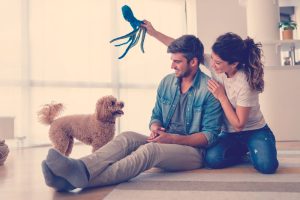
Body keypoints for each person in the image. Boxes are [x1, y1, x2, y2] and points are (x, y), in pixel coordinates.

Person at [41, 35, 223, 191]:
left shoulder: (209, 90)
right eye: (172, 60)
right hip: (165, 139)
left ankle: (79, 178)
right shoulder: (167, 82)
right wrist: (156, 127)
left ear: (193, 62)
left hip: (192, 152)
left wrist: (172, 139)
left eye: (177, 61)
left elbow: (210, 136)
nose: (171, 66)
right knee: (127, 137)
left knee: (150, 150)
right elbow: (156, 115)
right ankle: (79, 169)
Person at [142, 21, 279, 174]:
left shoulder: (245, 83)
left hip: (253, 130)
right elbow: (185, 51)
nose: (212, 64)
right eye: (212, 58)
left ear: (234, 63)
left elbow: (239, 124)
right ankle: (242, 151)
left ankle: (259, 145)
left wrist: (222, 97)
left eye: (218, 62)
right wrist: (153, 32)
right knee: (212, 159)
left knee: (267, 166)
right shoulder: (217, 64)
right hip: (228, 133)